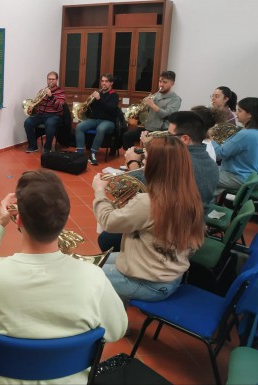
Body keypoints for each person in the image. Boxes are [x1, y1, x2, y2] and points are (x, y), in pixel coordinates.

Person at [0, 169, 127, 385]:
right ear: (63, 222)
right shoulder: (94, 277)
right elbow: (117, 330)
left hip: (3, 378)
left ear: (19, 222)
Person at [93, 136, 205, 302]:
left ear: (157, 166)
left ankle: (111, 321)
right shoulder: (190, 196)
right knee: (95, 263)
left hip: (148, 282)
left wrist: (99, 192)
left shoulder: (148, 202)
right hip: (169, 274)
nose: (143, 163)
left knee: (85, 278)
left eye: (145, 159)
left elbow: (108, 222)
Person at [122, 70, 181, 149]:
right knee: (127, 136)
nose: (161, 84)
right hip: (149, 127)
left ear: (172, 83)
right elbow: (145, 114)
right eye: (160, 81)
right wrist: (139, 111)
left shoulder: (175, 99)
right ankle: (133, 156)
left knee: (151, 147)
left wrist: (152, 105)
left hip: (161, 131)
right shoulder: (155, 95)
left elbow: (167, 115)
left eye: (165, 82)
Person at [212, 97, 258, 195]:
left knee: (198, 176)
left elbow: (220, 153)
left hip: (236, 176)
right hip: (247, 175)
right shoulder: (254, 132)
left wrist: (211, 138)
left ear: (250, 114)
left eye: (239, 111)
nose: (236, 114)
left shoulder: (245, 134)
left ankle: (203, 206)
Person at [75, 73, 119, 166]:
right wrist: (86, 106)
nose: (103, 83)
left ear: (111, 83)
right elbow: (90, 109)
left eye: (106, 81)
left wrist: (99, 99)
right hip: (95, 120)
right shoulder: (97, 93)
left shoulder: (114, 95)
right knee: (79, 126)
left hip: (109, 121)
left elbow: (110, 110)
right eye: (102, 81)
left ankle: (92, 154)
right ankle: (80, 153)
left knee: (101, 128)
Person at [23, 71, 66, 154]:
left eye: (53, 79)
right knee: (27, 122)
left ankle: (47, 147)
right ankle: (33, 146)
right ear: (47, 80)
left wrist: (51, 96)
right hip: (41, 114)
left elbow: (59, 106)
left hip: (54, 115)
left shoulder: (61, 92)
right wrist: (32, 107)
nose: (51, 81)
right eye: (49, 79)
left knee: (50, 123)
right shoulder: (42, 91)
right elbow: (37, 102)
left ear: (56, 80)